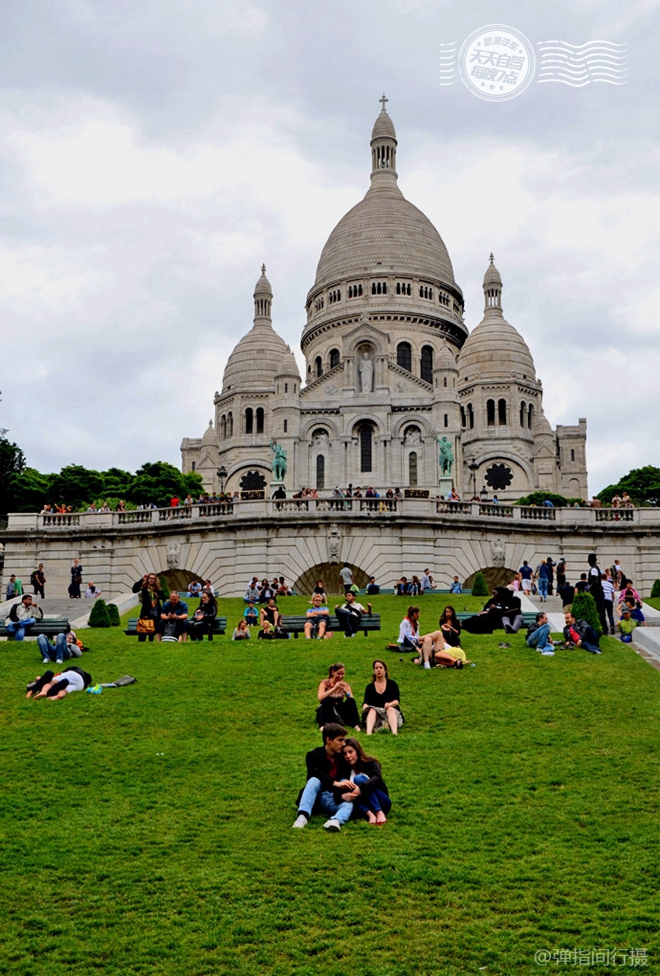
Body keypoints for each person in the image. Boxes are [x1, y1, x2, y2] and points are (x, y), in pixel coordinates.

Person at [291, 724, 354, 831]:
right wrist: (335, 783)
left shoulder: (343, 758)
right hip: (317, 796)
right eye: (340, 740)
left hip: (334, 797)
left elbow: (344, 778)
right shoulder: (313, 755)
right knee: (314, 780)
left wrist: (343, 793)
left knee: (348, 803)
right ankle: (302, 817)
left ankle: (335, 821)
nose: (343, 744)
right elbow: (314, 773)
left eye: (344, 740)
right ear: (329, 740)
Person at [341, 737, 391, 824]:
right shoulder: (345, 770)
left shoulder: (371, 763)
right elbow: (337, 789)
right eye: (345, 754)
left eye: (350, 752)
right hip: (362, 806)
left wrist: (361, 788)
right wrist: (343, 796)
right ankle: (370, 814)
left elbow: (378, 778)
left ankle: (379, 812)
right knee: (347, 784)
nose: (348, 756)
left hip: (381, 801)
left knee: (359, 779)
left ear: (357, 751)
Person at [316, 663, 361, 731]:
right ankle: (322, 725)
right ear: (333, 672)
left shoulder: (345, 685)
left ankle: (356, 724)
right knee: (327, 700)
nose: (340, 676)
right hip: (327, 708)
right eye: (338, 674)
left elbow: (352, 699)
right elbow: (320, 698)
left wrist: (346, 692)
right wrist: (334, 688)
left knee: (351, 701)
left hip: (339, 708)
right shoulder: (325, 683)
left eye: (342, 674)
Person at [362, 660, 403, 735]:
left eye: (381, 667)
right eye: (376, 668)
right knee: (372, 710)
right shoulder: (369, 687)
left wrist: (390, 704)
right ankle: (369, 733)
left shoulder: (392, 684)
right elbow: (365, 703)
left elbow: (397, 701)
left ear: (385, 670)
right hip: (376, 712)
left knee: (390, 710)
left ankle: (394, 733)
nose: (378, 670)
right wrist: (365, 708)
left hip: (390, 711)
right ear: (374, 670)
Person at [26, 665, 93, 700]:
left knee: (52, 682)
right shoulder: (85, 682)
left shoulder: (74, 668)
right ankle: (57, 697)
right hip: (81, 684)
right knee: (64, 690)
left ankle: (43, 691)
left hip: (74, 674)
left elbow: (58, 676)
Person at [132, 573, 164, 642]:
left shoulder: (157, 589)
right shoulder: (144, 588)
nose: (152, 580)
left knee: (152, 629)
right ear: (148, 579)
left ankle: (151, 642)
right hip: (146, 611)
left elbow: (163, 598)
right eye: (150, 578)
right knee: (143, 628)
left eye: (153, 579)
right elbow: (134, 589)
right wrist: (141, 580)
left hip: (155, 612)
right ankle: (141, 642)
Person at [587, 553, 607, 634]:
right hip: (599, 593)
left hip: (597, 593)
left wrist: (588, 589)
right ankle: (603, 629)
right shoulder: (596, 568)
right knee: (601, 611)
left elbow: (595, 581)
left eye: (588, 559)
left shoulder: (593, 569)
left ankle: (602, 629)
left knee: (599, 611)